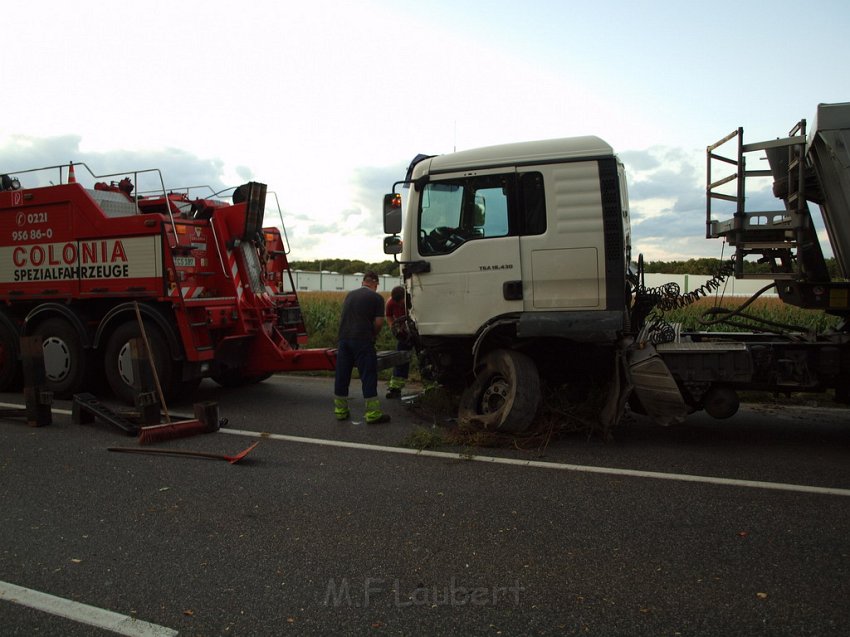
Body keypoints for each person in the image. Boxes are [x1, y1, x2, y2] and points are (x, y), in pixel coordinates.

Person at [333, 271, 391, 424]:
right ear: (375, 283)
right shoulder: (377, 298)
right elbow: (378, 323)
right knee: (368, 375)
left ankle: (341, 411)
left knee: (342, 375)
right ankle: (373, 415)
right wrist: (373, 335)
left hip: (344, 339)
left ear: (363, 282)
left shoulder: (350, 295)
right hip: (363, 340)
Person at [385, 285, 412, 399]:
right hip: (404, 334)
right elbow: (389, 316)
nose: (400, 305)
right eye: (398, 303)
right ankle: (395, 388)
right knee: (401, 358)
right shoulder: (390, 303)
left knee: (425, 358)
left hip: (417, 332)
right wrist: (394, 327)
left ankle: (431, 386)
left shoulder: (412, 300)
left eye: (401, 303)